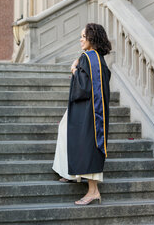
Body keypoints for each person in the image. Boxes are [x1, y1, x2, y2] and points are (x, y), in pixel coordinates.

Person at [52, 23, 111, 205]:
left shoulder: (89, 57)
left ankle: (93, 191)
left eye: (83, 36)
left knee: (90, 144)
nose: (81, 39)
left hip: (91, 111)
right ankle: (68, 171)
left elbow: (84, 88)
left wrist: (74, 70)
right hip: (91, 108)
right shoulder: (96, 58)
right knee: (65, 128)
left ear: (92, 38)